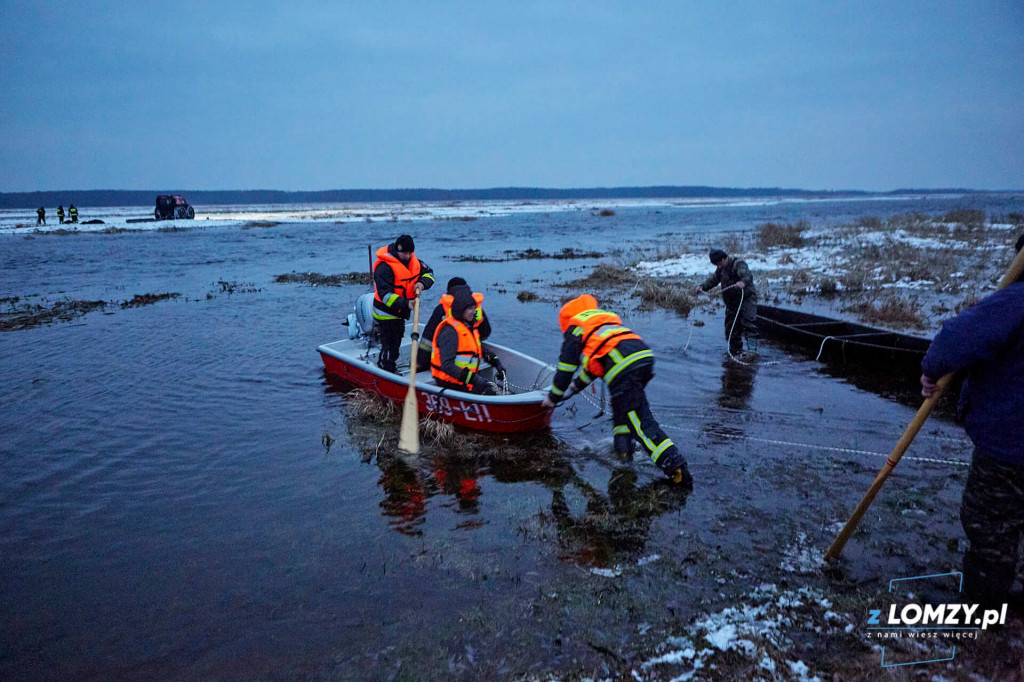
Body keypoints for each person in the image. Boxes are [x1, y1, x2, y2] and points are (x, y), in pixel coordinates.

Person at [920, 233, 1024, 608]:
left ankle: (981, 611)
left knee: (990, 524)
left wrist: (931, 370)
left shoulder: (1014, 302)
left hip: (1010, 448)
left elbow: (954, 339)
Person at [541, 294, 693, 486]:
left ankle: (675, 467)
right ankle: (624, 453)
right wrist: (574, 388)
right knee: (622, 412)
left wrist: (552, 398)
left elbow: (565, 369)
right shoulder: (601, 322)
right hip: (642, 357)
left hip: (622, 368)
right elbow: (593, 368)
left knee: (640, 423)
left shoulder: (575, 328)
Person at [372, 235, 435, 373]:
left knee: (397, 340)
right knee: (390, 345)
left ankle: (390, 365)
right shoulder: (384, 267)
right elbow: (385, 295)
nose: (407, 256)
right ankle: (386, 369)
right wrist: (407, 304)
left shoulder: (415, 262)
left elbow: (430, 274)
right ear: (397, 250)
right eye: (404, 253)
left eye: (409, 253)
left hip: (401, 312)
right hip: (385, 313)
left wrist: (422, 283)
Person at [416, 276, 495, 372]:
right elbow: (486, 332)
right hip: (471, 358)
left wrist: (420, 363)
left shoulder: (442, 308)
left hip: (451, 361)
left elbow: (428, 338)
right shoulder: (475, 306)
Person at [430, 284, 498, 395]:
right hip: (450, 383)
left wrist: (496, 362)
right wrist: (475, 379)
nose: (474, 312)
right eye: (470, 309)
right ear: (461, 311)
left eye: (474, 308)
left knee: (490, 390)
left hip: (464, 380)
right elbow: (447, 365)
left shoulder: (468, 327)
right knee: (490, 392)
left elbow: (478, 348)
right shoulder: (450, 332)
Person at [699, 247, 758, 355]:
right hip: (732, 303)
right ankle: (735, 352)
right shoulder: (720, 269)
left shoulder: (738, 264)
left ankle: (752, 353)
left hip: (746, 299)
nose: (718, 267)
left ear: (723, 259)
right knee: (731, 330)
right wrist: (702, 288)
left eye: (719, 264)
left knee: (749, 325)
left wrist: (742, 282)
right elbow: (713, 280)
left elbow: (747, 275)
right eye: (716, 265)